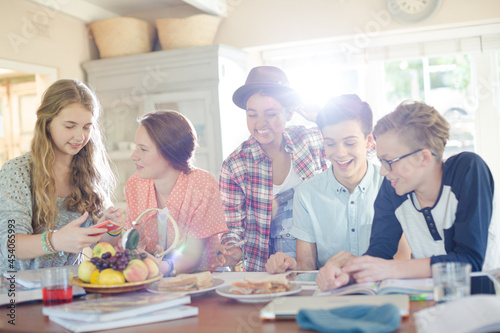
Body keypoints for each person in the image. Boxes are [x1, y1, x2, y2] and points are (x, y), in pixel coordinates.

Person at [316, 100, 496, 291]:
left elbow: (469, 261)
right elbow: (379, 252)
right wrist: (347, 275)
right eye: (381, 161)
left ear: (423, 157)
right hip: (431, 301)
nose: (383, 172)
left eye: (389, 161)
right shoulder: (393, 187)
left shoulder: (468, 169)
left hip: (486, 300)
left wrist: (390, 269)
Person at [265, 94, 410, 274]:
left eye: (349, 143)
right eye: (330, 143)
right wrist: (290, 266)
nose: (340, 153)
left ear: (369, 140)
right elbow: (306, 266)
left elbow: (403, 259)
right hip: (331, 293)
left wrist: (358, 267)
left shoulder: (393, 185)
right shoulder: (306, 194)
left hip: (385, 290)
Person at [0, 79, 123, 275]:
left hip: (70, 288)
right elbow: (10, 245)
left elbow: (100, 248)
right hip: (18, 292)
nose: (79, 136)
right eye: (69, 126)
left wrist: (109, 228)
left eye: (86, 127)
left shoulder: (89, 173)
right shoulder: (17, 172)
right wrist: (55, 241)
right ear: (47, 123)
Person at [215, 66, 329, 272]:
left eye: (271, 114)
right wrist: (232, 250)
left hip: (322, 267)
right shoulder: (234, 165)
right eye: (252, 115)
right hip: (266, 275)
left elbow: (367, 145)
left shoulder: (311, 140)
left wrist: (322, 116)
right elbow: (233, 227)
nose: (260, 123)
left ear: (290, 112)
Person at [124, 110, 228, 277]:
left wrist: (163, 267)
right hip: (152, 280)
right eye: (136, 147)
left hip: (202, 280)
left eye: (143, 149)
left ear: (170, 152)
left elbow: (192, 255)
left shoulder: (202, 185)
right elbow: (131, 241)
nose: (133, 156)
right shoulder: (135, 185)